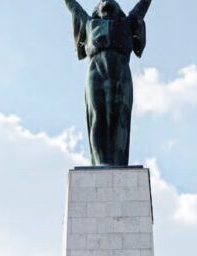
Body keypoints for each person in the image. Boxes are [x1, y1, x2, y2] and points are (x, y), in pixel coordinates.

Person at [62, 0, 153, 166]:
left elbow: (144, 4)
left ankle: (117, 162)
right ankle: (101, 162)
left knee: (119, 119)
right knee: (97, 116)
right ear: (97, 10)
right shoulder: (90, 23)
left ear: (119, 10)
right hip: (96, 72)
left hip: (121, 74)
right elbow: (72, 5)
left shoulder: (127, 22)